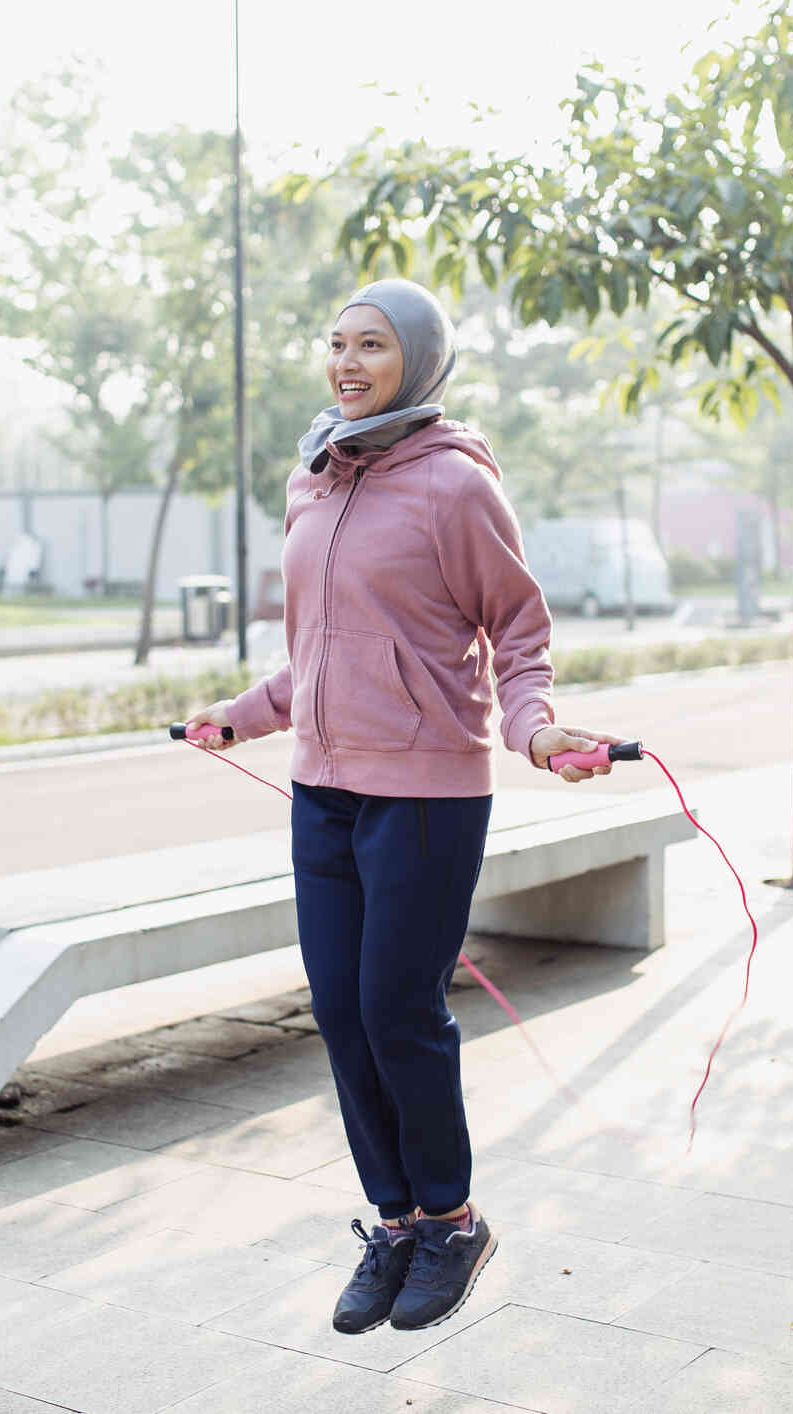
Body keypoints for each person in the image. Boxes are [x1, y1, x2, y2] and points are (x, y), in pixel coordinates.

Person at [181, 278, 622, 1336]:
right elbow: (315, 657)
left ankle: (454, 1220)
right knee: (338, 1012)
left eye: (371, 344)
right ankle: (394, 1223)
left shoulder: (454, 485)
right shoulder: (313, 480)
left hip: (424, 791)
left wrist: (539, 729)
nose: (347, 361)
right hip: (323, 791)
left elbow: (515, 629)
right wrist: (241, 716)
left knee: (397, 1009)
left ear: (417, 359)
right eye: (336, 342)